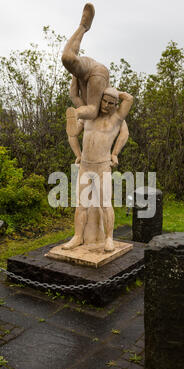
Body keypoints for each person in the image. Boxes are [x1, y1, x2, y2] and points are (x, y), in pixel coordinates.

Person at [63, 87, 133, 252]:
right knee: (81, 205)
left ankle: (109, 238)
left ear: (116, 105)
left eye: (112, 103)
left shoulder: (116, 118)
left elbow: (129, 99)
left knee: (105, 204)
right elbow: (72, 133)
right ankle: (78, 236)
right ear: (100, 99)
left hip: (103, 166)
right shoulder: (89, 117)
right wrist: (78, 154)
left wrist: (115, 153)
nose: (107, 105)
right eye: (105, 100)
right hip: (85, 165)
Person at [61, 3, 110, 125]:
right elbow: (74, 96)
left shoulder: (96, 109)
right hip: (91, 69)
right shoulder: (91, 111)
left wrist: (78, 113)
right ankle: (83, 26)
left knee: (67, 58)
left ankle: (83, 26)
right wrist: (80, 112)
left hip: (97, 72)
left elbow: (91, 109)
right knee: (67, 58)